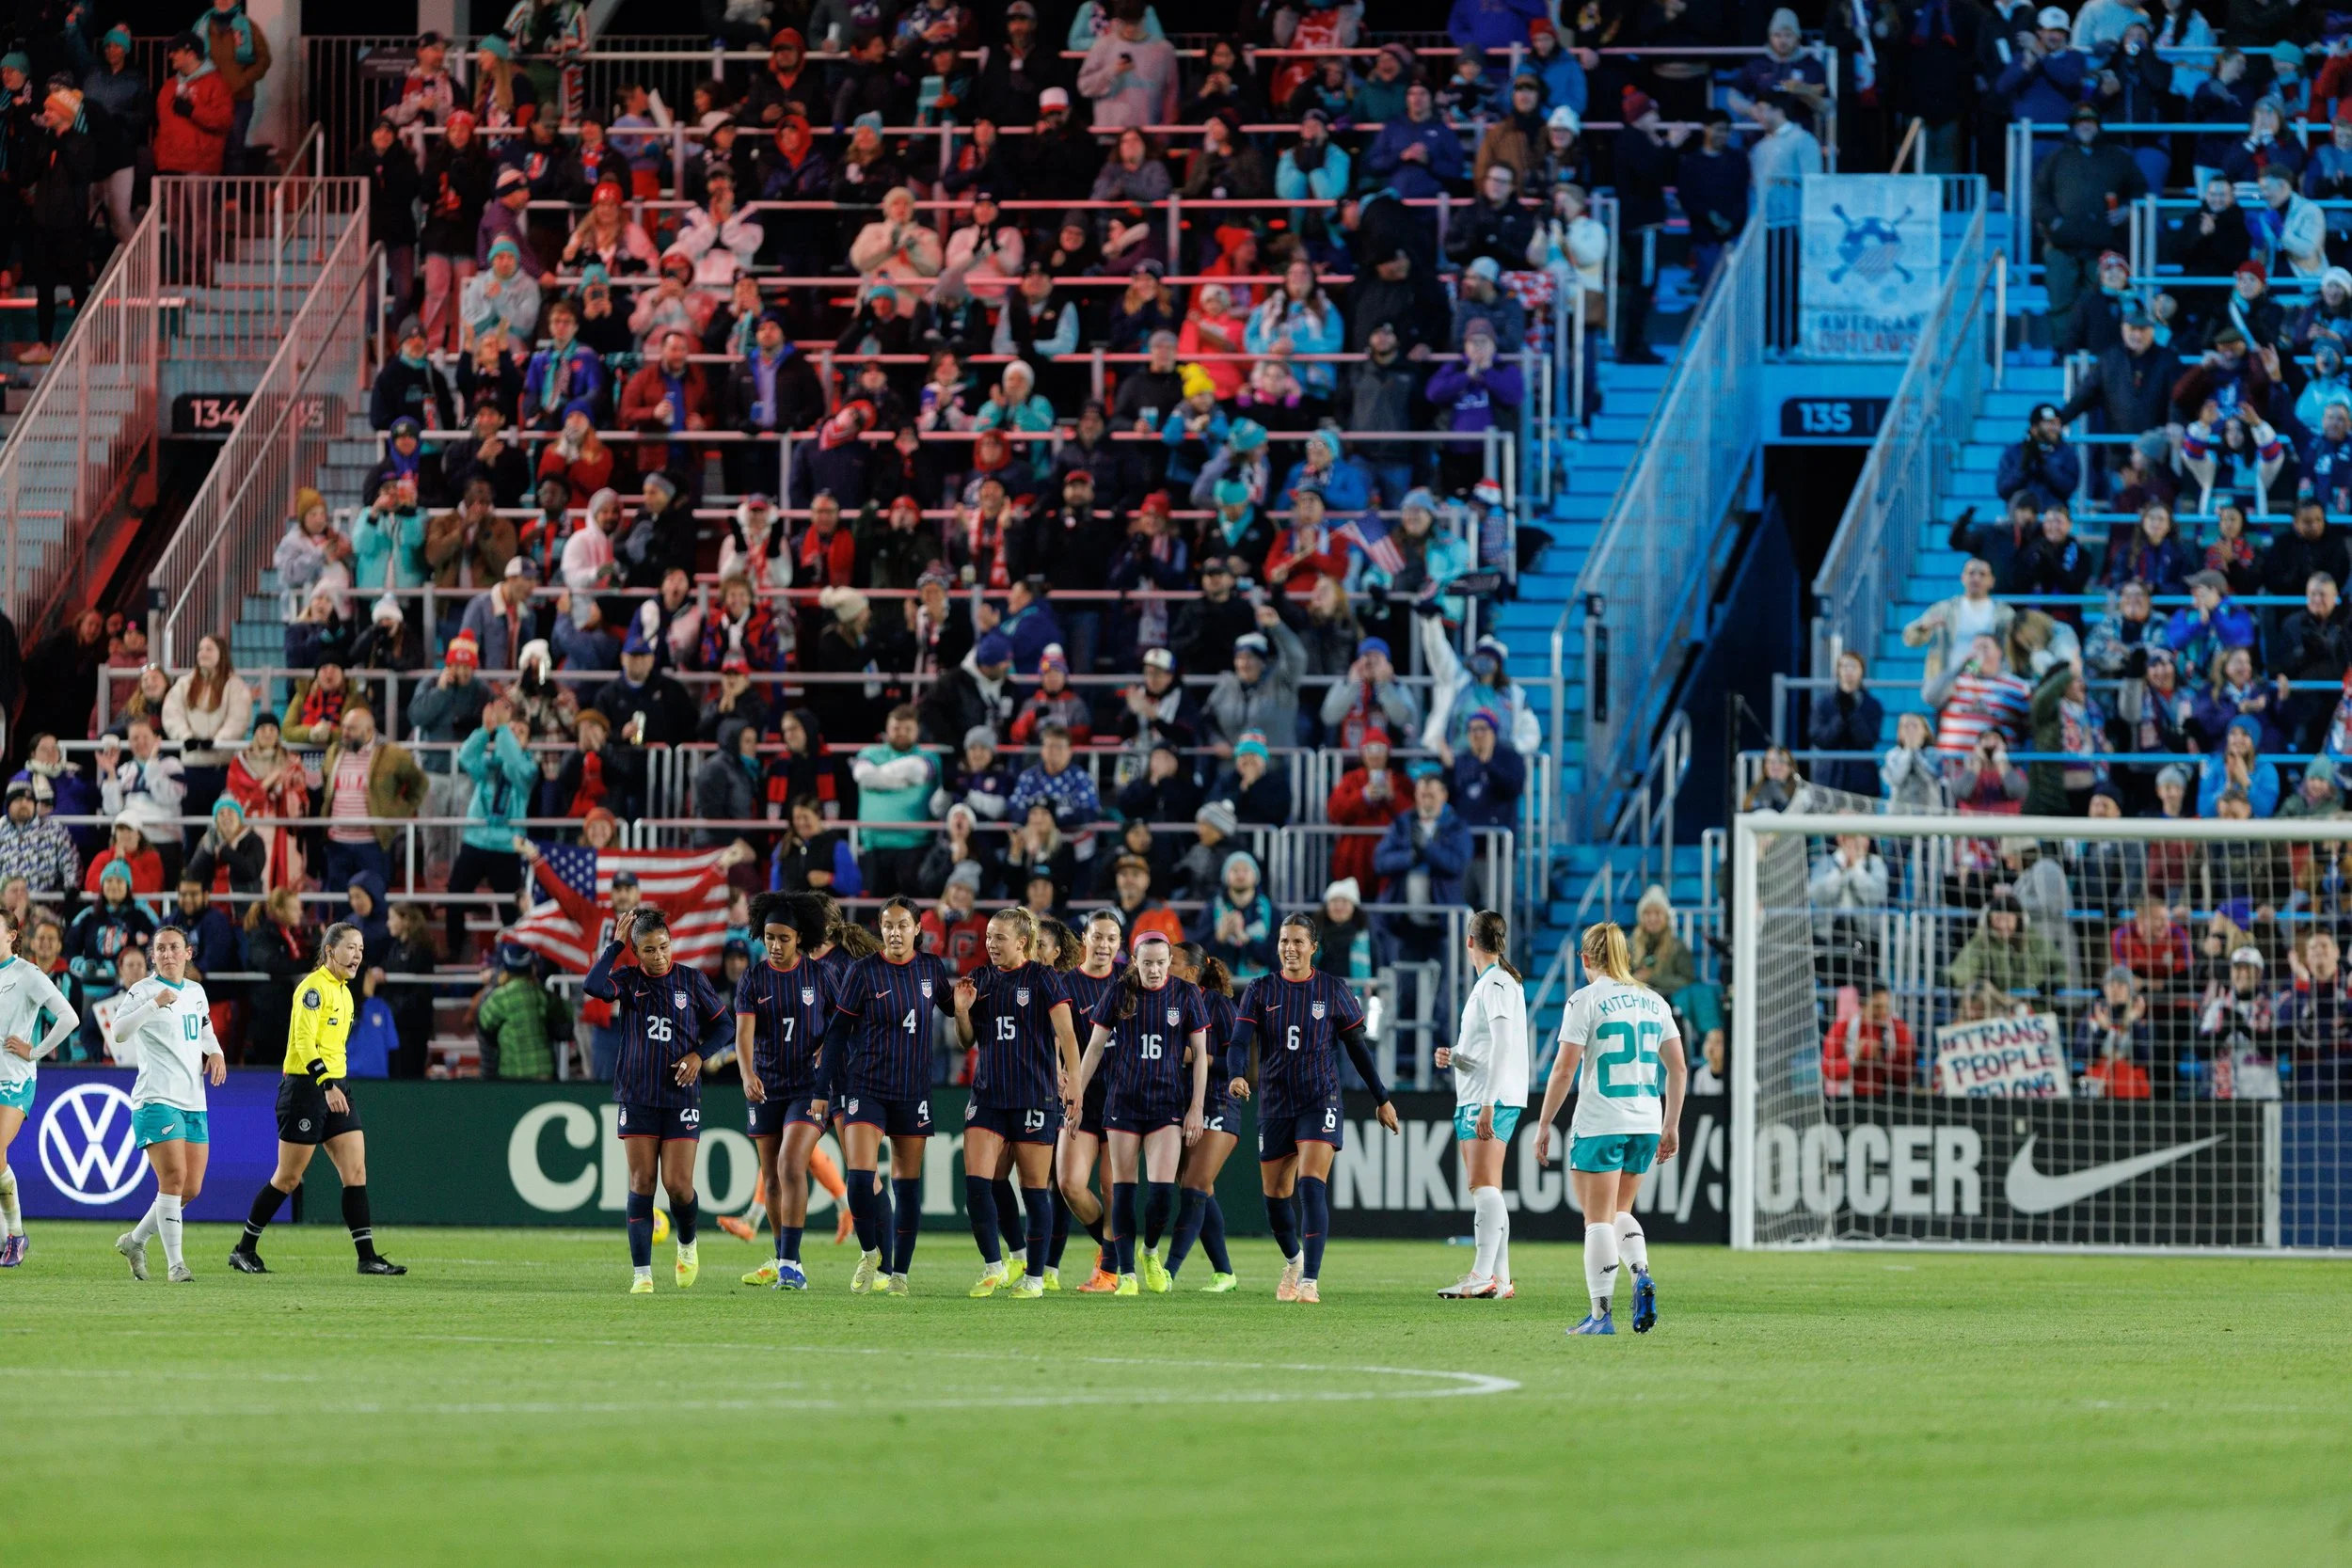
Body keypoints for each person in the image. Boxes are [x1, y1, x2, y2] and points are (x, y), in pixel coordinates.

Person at [1225, 913, 1398, 1304]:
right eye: (1284, 941)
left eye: (1298, 941)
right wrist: (1236, 1074)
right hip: (1274, 1104)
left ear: (1313, 947)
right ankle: (1293, 1261)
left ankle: (1310, 1281)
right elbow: (1239, 1041)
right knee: (1274, 1196)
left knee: (1311, 1185)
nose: (1290, 948)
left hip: (1320, 1099)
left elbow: (1357, 1049)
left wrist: (1381, 1097)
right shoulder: (1260, 989)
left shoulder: (1332, 990)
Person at [1533, 921, 1687, 1336]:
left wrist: (1544, 1123)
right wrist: (1670, 1124)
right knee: (1621, 1211)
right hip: (1646, 1121)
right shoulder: (1654, 1001)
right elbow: (1678, 1068)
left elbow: (1564, 1069)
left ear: (1585, 959)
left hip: (1601, 1120)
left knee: (1597, 1220)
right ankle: (1640, 1272)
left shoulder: (1584, 999)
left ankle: (1601, 1315)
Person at [229, 923, 405, 1276]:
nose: (358, 955)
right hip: (307, 1089)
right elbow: (304, 1043)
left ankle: (366, 1257)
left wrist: (335, 1083)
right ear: (329, 951)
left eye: (361, 948)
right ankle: (244, 1249)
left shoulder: (345, 991)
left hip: (337, 1087)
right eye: (350, 948)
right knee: (288, 1178)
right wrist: (326, 1083)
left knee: (355, 1171)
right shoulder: (312, 989)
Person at [583, 907, 729, 1293]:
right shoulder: (628, 981)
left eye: (664, 946)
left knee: (678, 1185)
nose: (659, 956)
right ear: (637, 952)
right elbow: (593, 986)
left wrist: (699, 1055)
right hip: (638, 1095)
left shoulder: (692, 981)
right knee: (641, 1182)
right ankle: (642, 1275)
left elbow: (725, 1026)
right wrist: (615, 946)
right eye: (649, 950)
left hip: (681, 1096)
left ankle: (687, 1243)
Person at [819, 898, 955, 1294]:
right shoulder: (863, 972)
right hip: (866, 1086)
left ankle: (899, 1276)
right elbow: (838, 1033)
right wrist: (820, 1090)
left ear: (917, 929)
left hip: (913, 1092)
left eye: (902, 925)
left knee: (907, 1186)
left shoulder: (931, 969)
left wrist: (964, 1010)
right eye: (887, 925)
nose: (895, 933)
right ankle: (870, 1252)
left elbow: (953, 1010)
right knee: (860, 1177)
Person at [1067, 928, 1206, 1296]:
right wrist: (1077, 1096)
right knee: (1122, 1191)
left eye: (1162, 963)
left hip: (1166, 1106)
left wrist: (1196, 1107)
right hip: (1123, 1104)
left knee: (1161, 1194)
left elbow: (1201, 1057)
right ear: (1135, 963)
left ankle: (1149, 1251)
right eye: (1148, 964)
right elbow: (1094, 1048)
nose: (1156, 970)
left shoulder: (1187, 994)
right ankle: (1126, 1274)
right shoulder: (1119, 992)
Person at [952, 907, 1079, 1297]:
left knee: (1033, 1190)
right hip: (988, 1095)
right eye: (989, 936)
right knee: (979, 1185)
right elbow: (967, 1041)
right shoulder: (980, 980)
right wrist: (961, 1011)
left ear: (1022, 942)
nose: (990, 943)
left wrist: (1074, 1084)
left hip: (1033, 1096)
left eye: (999, 937)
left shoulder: (1043, 979)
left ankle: (1035, 1278)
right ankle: (995, 1265)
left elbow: (1069, 1036)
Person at [728, 893, 838, 1291]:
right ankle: (783, 1258)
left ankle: (791, 1264)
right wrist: (746, 1073)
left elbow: (844, 1025)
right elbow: (744, 1035)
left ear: (799, 938)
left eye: (783, 938)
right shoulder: (753, 979)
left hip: (808, 1089)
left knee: (791, 1165)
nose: (775, 946)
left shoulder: (822, 976)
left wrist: (830, 1045)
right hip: (765, 1087)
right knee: (772, 1177)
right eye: (769, 937)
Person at [107, 926, 225, 1283]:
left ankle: (135, 1241)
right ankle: (176, 1265)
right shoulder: (142, 990)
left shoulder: (196, 992)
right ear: (153, 956)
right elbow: (120, 1031)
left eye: (175, 948)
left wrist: (215, 1052)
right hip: (156, 1098)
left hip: (194, 1099)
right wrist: (153, 1004)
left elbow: (204, 1028)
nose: (168, 954)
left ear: (188, 953)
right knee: (173, 1180)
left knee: (190, 1188)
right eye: (161, 949)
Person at [1433, 909, 1528, 1301]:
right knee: (1489, 1188)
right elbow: (1488, 1047)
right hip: (1479, 1092)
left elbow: (1505, 1045)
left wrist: (1488, 1101)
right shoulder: (1496, 982)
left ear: (1470, 941)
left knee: (1482, 1186)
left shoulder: (1496, 984)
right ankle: (1501, 1279)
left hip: (1489, 1097)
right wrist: (1455, 1055)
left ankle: (1481, 1273)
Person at [1051, 910, 1126, 1291]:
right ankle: (1114, 1249)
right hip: (1080, 1099)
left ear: (1119, 944)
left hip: (1122, 1099)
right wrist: (1059, 1072)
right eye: (1098, 936)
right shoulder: (1065, 984)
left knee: (1114, 1187)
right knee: (1070, 1185)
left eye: (1112, 938)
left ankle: (1109, 1270)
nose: (1104, 945)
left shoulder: (1129, 983)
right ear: (1084, 939)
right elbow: (1051, 1036)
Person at [0, 910, 80, 1267]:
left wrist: (35, 1051)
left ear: (12, 936)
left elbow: (69, 1017)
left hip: (15, 1080)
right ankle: (9, 1234)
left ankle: (15, 1236)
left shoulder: (27, 975)